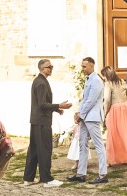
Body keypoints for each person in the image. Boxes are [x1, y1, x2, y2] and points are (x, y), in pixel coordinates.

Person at [23, 59, 71, 187]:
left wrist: (56, 109)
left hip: (36, 120)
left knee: (34, 149)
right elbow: (42, 104)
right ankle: (47, 179)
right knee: (44, 149)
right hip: (42, 121)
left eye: (52, 66)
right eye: (48, 67)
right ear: (41, 68)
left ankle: (28, 178)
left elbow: (42, 104)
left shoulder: (39, 81)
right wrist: (58, 105)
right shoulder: (41, 83)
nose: (51, 68)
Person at [67, 57, 107, 185]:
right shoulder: (89, 79)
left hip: (92, 117)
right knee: (82, 144)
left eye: (84, 66)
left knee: (98, 145)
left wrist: (80, 114)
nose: (82, 69)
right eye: (82, 66)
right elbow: (85, 100)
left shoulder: (96, 80)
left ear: (91, 66)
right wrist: (78, 113)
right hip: (85, 116)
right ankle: (81, 173)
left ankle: (103, 174)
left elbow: (91, 100)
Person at [101, 66, 127, 166]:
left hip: (115, 109)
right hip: (125, 107)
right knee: (124, 132)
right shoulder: (122, 81)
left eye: (104, 76)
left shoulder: (108, 84)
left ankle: (111, 159)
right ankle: (126, 156)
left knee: (112, 134)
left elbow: (107, 100)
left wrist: (104, 113)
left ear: (106, 75)